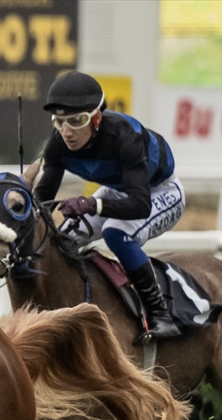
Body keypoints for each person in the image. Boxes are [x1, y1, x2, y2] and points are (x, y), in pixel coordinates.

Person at [33, 71, 184, 339]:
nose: (66, 132)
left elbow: (139, 205)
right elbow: (42, 199)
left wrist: (92, 205)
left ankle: (160, 314)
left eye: (76, 121)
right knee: (62, 240)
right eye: (59, 122)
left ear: (97, 119)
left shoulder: (125, 136)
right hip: (119, 190)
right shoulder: (58, 143)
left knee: (116, 233)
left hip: (159, 191)